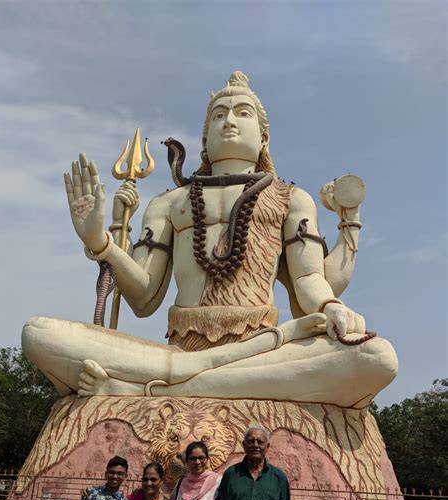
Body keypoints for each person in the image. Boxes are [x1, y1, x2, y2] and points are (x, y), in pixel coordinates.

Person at [22, 71, 397, 410]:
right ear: (204, 137)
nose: (229, 121)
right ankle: (199, 377)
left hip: (262, 347)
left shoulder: (290, 199)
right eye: (219, 115)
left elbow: (307, 281)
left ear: (264, 136)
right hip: (177, 350)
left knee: (376, 357)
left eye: (242, 113)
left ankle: (151, 390)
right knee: (39, 334)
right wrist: (100, 242)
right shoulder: (170, 203)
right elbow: (143, 297)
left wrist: (331, 306)